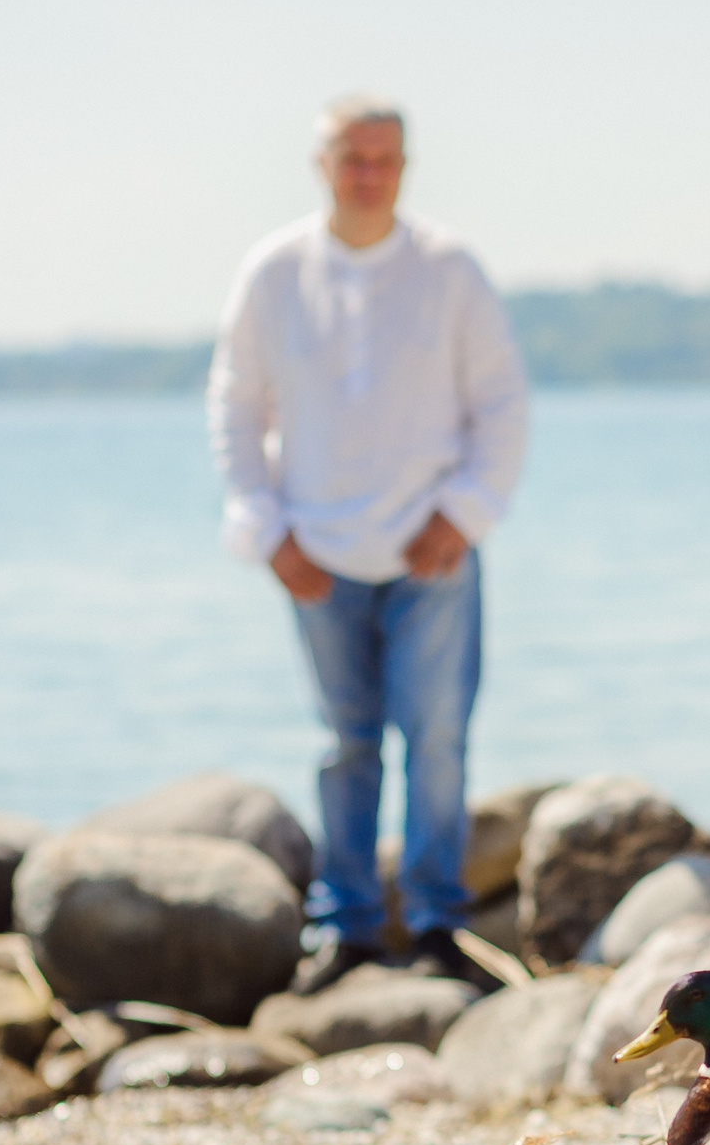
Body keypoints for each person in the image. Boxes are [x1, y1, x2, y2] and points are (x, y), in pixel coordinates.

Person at [209, 96, 528, 993]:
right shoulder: (274, 273)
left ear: (405, 166)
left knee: (435, 738)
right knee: (345, 741)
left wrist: (463, 513)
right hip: (315, 552)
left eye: (386, 159)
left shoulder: (449, 268)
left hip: (434, 550)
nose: (369, 174)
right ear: (323, 164)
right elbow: (235, 403)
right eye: (353, 158)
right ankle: (344, 929)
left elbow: (502, 403)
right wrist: (266, 531)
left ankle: (434, 925)